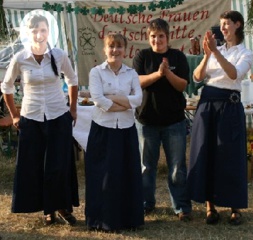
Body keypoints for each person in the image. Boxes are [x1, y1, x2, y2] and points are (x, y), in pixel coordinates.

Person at [0, 13, 79, 225]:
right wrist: (15, 115)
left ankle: (61, 207)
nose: (39, 34)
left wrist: (72, 109)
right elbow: (6, 86)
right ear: (28, 33)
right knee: (36, 165)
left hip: (57, 116)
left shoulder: (59, 55)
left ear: (48, 32)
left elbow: (72, 79)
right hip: (31, 117)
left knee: (59, 164)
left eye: (43, 30)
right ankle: (47, 209)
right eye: (34, 30)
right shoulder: (20, 58)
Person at [187, 10, 253, 225]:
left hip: (229, 105)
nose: (223, 28)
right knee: (207, 152)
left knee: (230, 154)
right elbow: (197, 77)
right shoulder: (216, 50)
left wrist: (216, 53)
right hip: (208, 103)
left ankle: (235, 206)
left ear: (237, 25)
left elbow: (233, 74)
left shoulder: (245, 53)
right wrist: (207, 54)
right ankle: (210, 206)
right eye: (221, 24)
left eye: (227, 24)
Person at [132, 18, 192, 221]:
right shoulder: (142, 56)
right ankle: (145, 204)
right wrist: (158, 74)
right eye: (153, 36)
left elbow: (183, 85)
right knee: (146, 167)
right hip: (147, 121)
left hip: (174, 122)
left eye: (160, 36)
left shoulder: (178, 56)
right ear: (148, 38)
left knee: (177, 167)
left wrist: (167, 73)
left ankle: (181, 206)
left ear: (168, 37)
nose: (157, 40)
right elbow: (137, 82)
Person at [85, 33, 144, 232]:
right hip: (103, 130)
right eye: (111, 46)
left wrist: (114, 98)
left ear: (125, 50)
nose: (115, 50)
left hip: (126, 130)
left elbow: (138, 100)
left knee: (127, 174)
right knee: (104, 176)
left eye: (119, 46)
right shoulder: (96, 72)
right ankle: (102, 220)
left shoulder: (132, 73)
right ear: (105, 49)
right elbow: (99, 100)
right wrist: (123, 102)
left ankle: (129, 219)